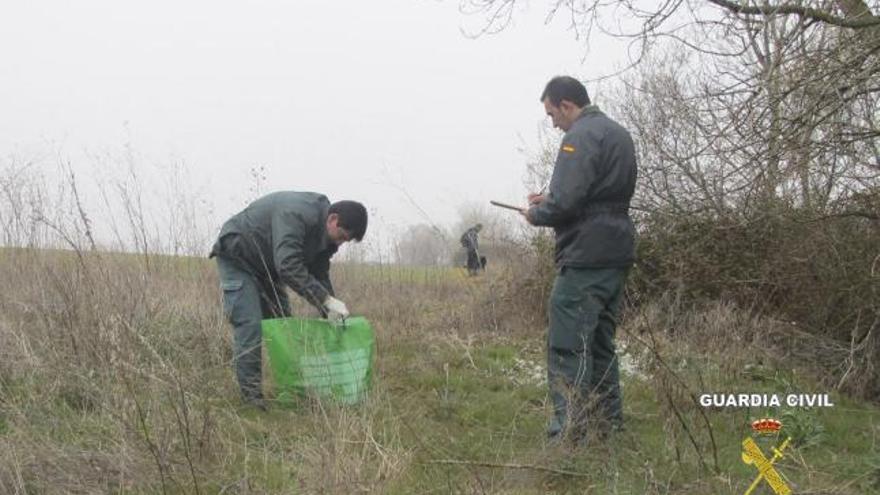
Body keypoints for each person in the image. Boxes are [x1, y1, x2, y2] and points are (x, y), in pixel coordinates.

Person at [521, 76, 637, 443]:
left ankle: (568, 435)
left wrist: (537, 213)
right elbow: (597, 194)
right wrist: (552, 199)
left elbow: (568, 202)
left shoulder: (579, 137)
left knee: (569, 344)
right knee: (602, 344)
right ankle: (608, 426)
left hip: (585, 256)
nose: (553, 123)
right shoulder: (619, 134)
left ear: (567, 105)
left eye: (552, 114)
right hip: (617, 253)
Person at [209, 191, 368, 408]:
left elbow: (320, 274)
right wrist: (325, 300)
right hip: (239, 257)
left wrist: (330, 310)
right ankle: (251, 399)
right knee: (250, 323)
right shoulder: (296, 214)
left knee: (283, 324)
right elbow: (288, 266)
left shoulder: (326, 238)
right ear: (333, 219)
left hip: (268, 268)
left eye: (345, 241)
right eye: (341, 236)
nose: (340, 244)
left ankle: (293, 388)